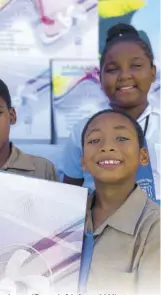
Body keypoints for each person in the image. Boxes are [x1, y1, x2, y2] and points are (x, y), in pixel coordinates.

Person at [61, 23, 160, 203]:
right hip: (101, 226)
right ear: (100, 77)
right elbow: (69, 194)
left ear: (153, 73)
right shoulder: (82, 131)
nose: (124, 76)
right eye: (113, 69)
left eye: (136, 65)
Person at [79, 109, 160, 295]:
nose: (107, 147)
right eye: (94, 140)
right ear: (83, 161)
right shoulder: (67, 216)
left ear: (143, 156)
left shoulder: (154, 227)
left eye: (122, 138)